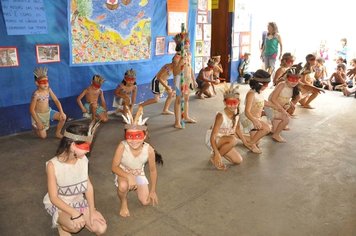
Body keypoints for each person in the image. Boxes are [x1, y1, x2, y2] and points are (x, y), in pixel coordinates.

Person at [43, 122, 107, 235]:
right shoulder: (52, 165)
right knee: (74, 226)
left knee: (101, 228)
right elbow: (53, 198)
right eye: (86, 147)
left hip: (78, 201)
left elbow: (88, 187)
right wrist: (75, 213)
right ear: (72, 145)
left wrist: (92, 210)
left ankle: (75, 219)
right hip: (60, 204)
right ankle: (62, 225)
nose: (88, 151)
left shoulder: (83, 160)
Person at [111, 106, 163, 217]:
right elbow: (114, 167)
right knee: (123, 186)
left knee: (145, 201)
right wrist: (128, 176)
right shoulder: (122, 146)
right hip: (123, 171)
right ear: (125, 136)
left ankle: (136, 185)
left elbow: (153, 171)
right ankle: (123, 202)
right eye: (130, 136)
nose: (134, 140)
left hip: (139, 173)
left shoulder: (149, 150)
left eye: (138, 135)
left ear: (145, 136)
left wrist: (153, 190)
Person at [206, 83, 250, 170]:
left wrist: (245, 142)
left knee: (238, 160)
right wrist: (217, 153)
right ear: (224, 103)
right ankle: (216, 157)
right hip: (213, 140)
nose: (232, 105)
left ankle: (214, 156)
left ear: (238, 102)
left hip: (226, 139)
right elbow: (213, 136)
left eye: (235, 102)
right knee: (233, 140)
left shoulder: (237, 112)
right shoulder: (220, 116)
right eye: (229, 103)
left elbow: (237, 129)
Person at [265, 64, 303, 142]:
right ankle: (276, 135)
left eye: (296, 79)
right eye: (291, 79)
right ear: (286, 78)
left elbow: (285, 99)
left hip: (278, 109)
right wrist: (283, 110)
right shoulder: (282, 85)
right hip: (271, 108)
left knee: (275, 128)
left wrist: (290, 104)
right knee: (286, 119)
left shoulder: (292, 88)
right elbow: (273, 99)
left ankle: (274, 129)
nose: (294, 82)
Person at [239, 70, 274, 154]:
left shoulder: (259, 92)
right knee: (266, 128)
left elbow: (263, 102)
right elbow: (247, 111)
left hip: (255, 117)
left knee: (257, 141)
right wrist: (254, 120)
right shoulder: (251, 94)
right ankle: (251, 144)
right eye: (266, 84)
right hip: (248, 118)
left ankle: (237, 135)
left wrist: (276, 106)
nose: (267, 86)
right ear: (259, 84)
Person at [29, 67, 67, 139]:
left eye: (46, 81)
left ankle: (58, 133)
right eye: (42, 82)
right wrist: (38, 122)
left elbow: (56, 100)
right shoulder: (36, 94)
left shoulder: (48, 90)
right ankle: (36, 127)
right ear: (37, 83)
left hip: (48, 112)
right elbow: (31, 110)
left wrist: (61, 112)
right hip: (38, 115)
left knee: (63, 117)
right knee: (43, 136)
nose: (45, 84)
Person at [172, 31, 198, 128]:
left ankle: (186, 116)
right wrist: (180, 62)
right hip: (179, 79)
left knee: (186, 98)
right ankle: (177, 121)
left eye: (188, 42)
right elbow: (175, 72)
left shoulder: (188, 54)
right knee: (178, 99)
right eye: (186, 42)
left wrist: (193, 79)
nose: (189, 44)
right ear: (182, 44)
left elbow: (190, 67)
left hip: (187, 79)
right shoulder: (177, 57)